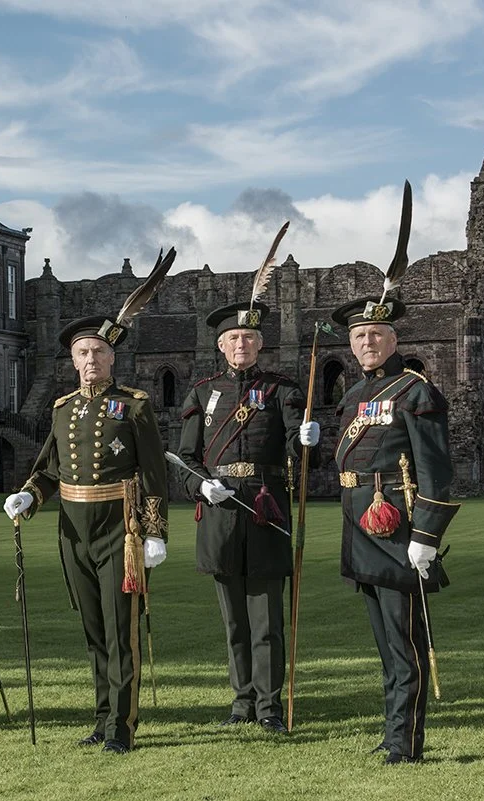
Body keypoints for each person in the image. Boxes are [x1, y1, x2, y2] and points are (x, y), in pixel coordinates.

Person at [3, 314, 169, 755]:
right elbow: (49, 470)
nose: (91, 359)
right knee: (94, 630)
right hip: (73, 530)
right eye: (83, 353)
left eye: (98, 351)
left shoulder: (135, 405)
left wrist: (154, 532)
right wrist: (28, 497)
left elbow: (153, 472)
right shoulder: (62, 408)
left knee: (120, 631)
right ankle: (102, 718)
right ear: (73, 361)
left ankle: (122, 726)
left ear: (113, 356)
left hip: (121, 527)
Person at [176, 300, 319, 734]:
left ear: (260, 344)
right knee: (234, 620)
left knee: (266, 619)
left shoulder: (282, 389)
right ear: (221, 345)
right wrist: (200, 484)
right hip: (220, 511)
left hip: (265, 507)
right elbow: (186, 458)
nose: (242, 344)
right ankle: (242, 701)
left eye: (250, 338)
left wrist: (307, 440)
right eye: (234, 338)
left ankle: (270, 705)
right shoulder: (202, 393)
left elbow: (299, 446)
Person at [329, 295, 460, 764]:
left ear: (393, 339)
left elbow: (436, 469)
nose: (367, 341)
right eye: (359, 335)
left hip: (398, 533)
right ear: (351, 342)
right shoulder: (352, 395)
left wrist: (426, 535)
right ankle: (393, 734)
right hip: (360, 530)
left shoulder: (415, 391)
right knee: (387, 648)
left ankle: (406, 745)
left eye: (376, 335)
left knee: (405, 649)